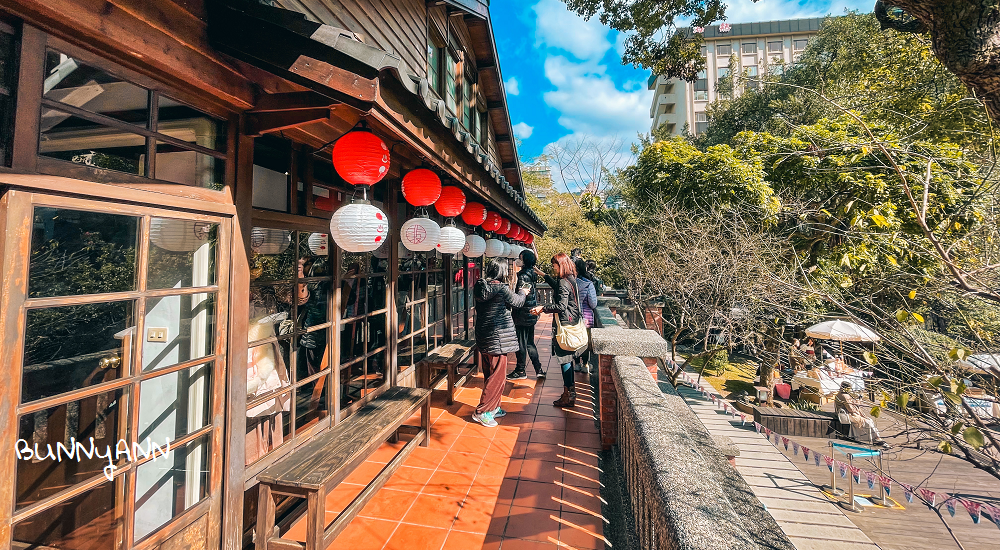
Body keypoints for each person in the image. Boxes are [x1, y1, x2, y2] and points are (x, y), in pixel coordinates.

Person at [472, 258, 528, 427]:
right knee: (498, 376)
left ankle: (494, 406)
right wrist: (524, 292)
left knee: (490, 373)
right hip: (498, 338)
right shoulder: (501, 288)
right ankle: (482, 411)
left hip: (484, 335)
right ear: (502, 271)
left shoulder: (480, 286)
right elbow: (518, 302)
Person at [530, 253, 584, 407]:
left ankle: (568, 395)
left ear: (560, 265)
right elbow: (559, 290)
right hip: (573, 321)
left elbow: (560, 306)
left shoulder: (563, 281)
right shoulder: (570, 279)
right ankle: (569, 393)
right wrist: (544, 275)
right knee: (567, 358)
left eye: (554, 265)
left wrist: (543, 308)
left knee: (564, 358)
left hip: (565, 324)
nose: (553, 267)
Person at [508, 250, 544, 380]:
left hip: (522, 314)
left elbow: (522, 296)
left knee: (521, 343)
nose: (518, 260)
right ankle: (538, 369)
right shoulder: (532, 274)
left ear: (525, 261)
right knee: (529, 343)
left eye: (520, 258)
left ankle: (520, 370)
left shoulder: (523, 276)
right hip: (530, 313)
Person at [835, 381, 886, 446]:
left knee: (869, 420)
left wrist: (857, 402)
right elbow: (851, 409)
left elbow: (850, 405)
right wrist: (858, 404)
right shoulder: (845, 396)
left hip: (846, 413)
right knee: (868, 421)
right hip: (848, 414)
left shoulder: (839, 394)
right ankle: (875, 437)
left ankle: (876, 437)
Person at [573, 258, 598, 373]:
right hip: (587, 317)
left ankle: (577, 363)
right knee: (585, 342)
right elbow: (593, 303)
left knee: (576, 341)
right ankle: (586, 364)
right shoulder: (588, 284)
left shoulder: (570, 283)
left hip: (573, 317)